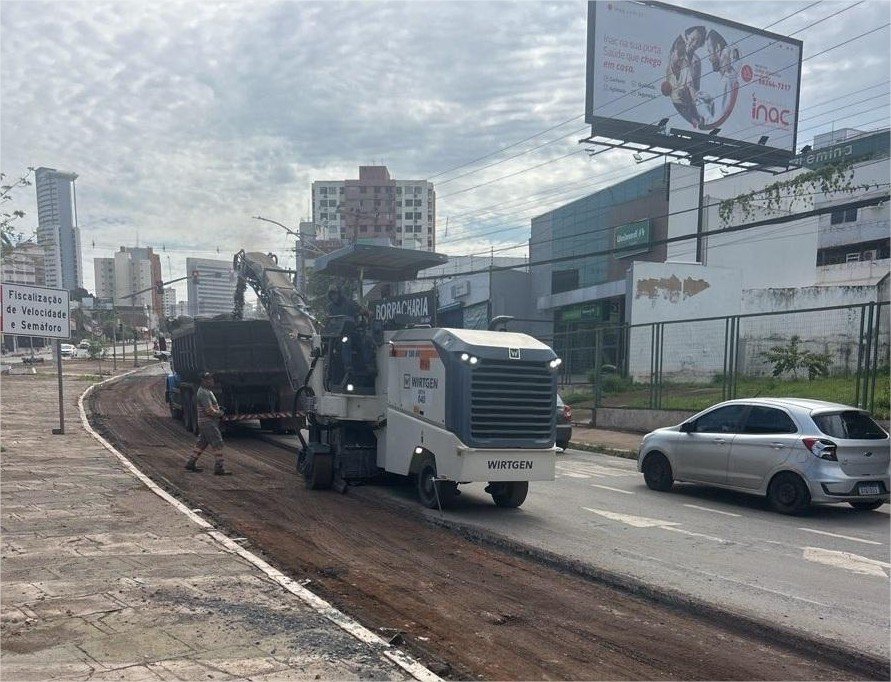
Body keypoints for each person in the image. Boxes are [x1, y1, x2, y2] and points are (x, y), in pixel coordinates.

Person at [185, 372, 230, 475]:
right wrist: (220, 413)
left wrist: (218, 410)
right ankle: (219, 467)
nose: (212, 381)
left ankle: (191, 463)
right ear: (203, 381)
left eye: (212, 379)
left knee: (201, 444)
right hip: (209, 423)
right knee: (217, 443)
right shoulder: (204, 393)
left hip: (205, 422)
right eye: (209, 379)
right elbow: (209, 411)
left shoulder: (205, 391)